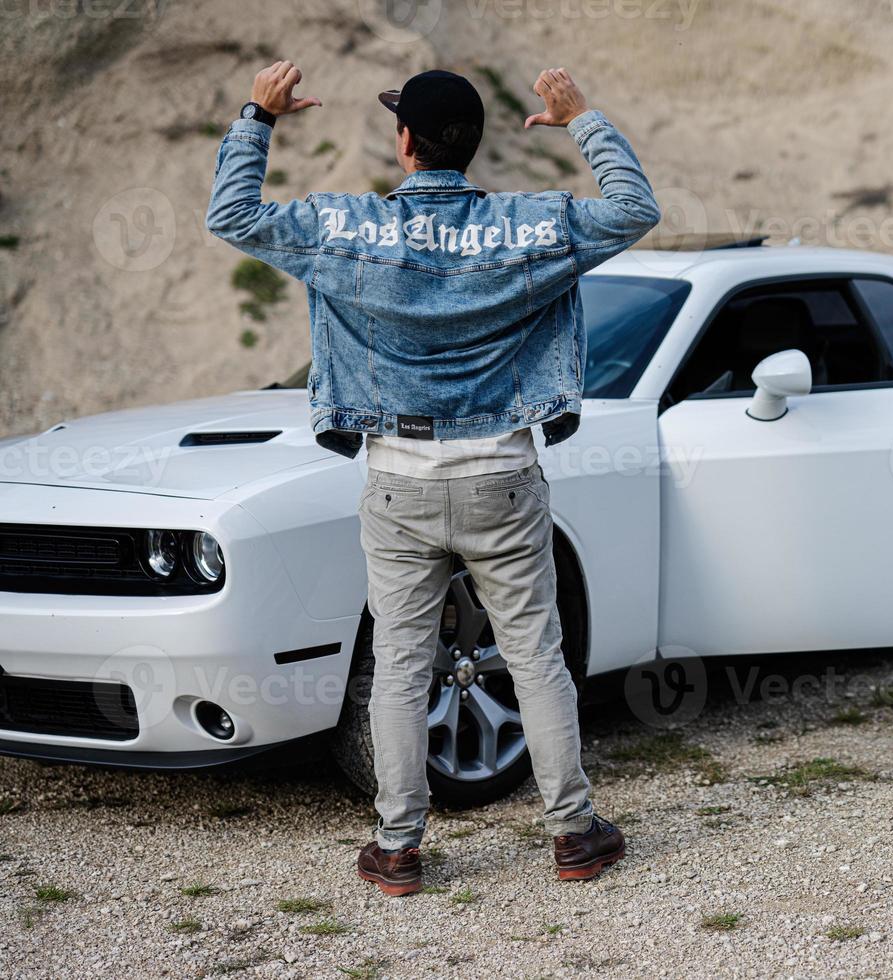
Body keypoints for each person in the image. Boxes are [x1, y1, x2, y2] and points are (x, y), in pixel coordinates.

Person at [206, 61, 660, 896]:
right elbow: (637, 209)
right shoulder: (533, 224)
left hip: (398, 478)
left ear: (405, 142)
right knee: (536, 658)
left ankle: (399, 848)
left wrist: (256, 119)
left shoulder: (343, 228)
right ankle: (572, 835)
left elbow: (228, 213)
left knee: (403, 668)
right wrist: (582, 118)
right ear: (474, 144)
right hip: (504, 472)